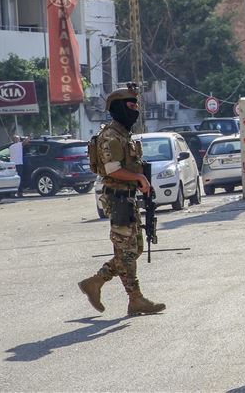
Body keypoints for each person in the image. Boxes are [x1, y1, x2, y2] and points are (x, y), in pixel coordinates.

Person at [78, 86, 165, 317]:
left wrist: (140, 182)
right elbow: (112, 169)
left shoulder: (124, 135)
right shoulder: (110, 136)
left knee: (134, 249)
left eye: (136, 105)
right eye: (131, 106)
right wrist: (138, 177)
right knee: (126, 251)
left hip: (128, 198)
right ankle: (135, 299)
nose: (135, 110)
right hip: (117, 199)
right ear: (118, 108)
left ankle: (96, 282)